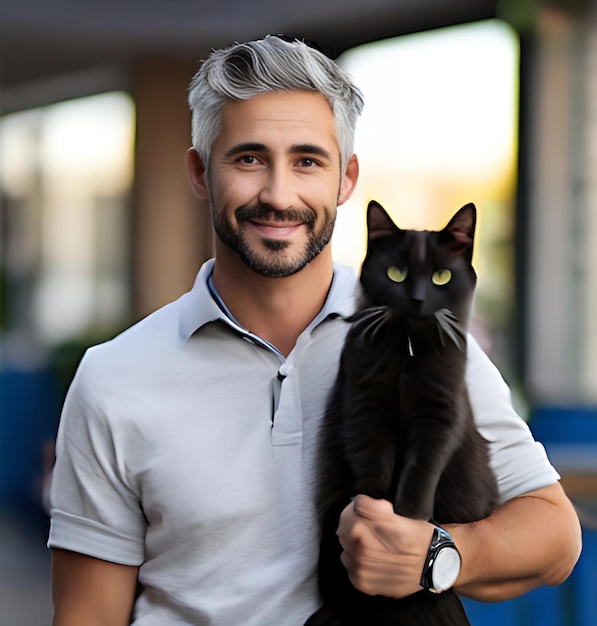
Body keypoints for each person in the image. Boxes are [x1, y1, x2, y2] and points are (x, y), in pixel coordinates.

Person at [48, 35, 582, 625]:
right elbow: (86, 615)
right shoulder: (112, 377)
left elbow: (555, 537)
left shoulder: (429, 339)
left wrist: (436, 555)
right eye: (248, 158)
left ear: (346, 179)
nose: (279, 195)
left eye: (307, 161)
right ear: (201, 173)